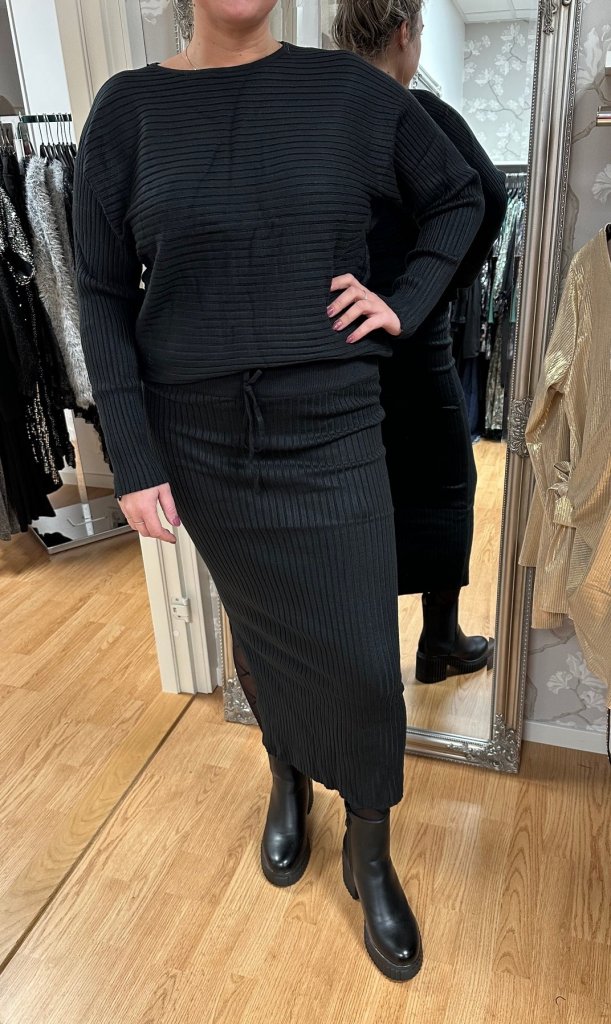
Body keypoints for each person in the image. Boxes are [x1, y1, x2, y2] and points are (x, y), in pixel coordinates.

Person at [73, 0, 484, 982]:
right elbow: (101, 291)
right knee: (257, 639)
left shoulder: (346, 92)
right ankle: (287, 778)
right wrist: (133, 456)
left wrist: (403, 302)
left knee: (362, 659)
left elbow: (460, 197)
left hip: (331, 430)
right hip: (199, 443)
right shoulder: (126, 111)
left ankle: (370, 849)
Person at [334, 0, 507, 685]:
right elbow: (488, 194)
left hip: (338, 347)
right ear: (405, 31)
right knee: (445, 485)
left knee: (357, 500)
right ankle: (440, 641)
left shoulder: (318, 115)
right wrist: (436, 288)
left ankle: (366, 659)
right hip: (417, 340)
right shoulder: (420, 114)